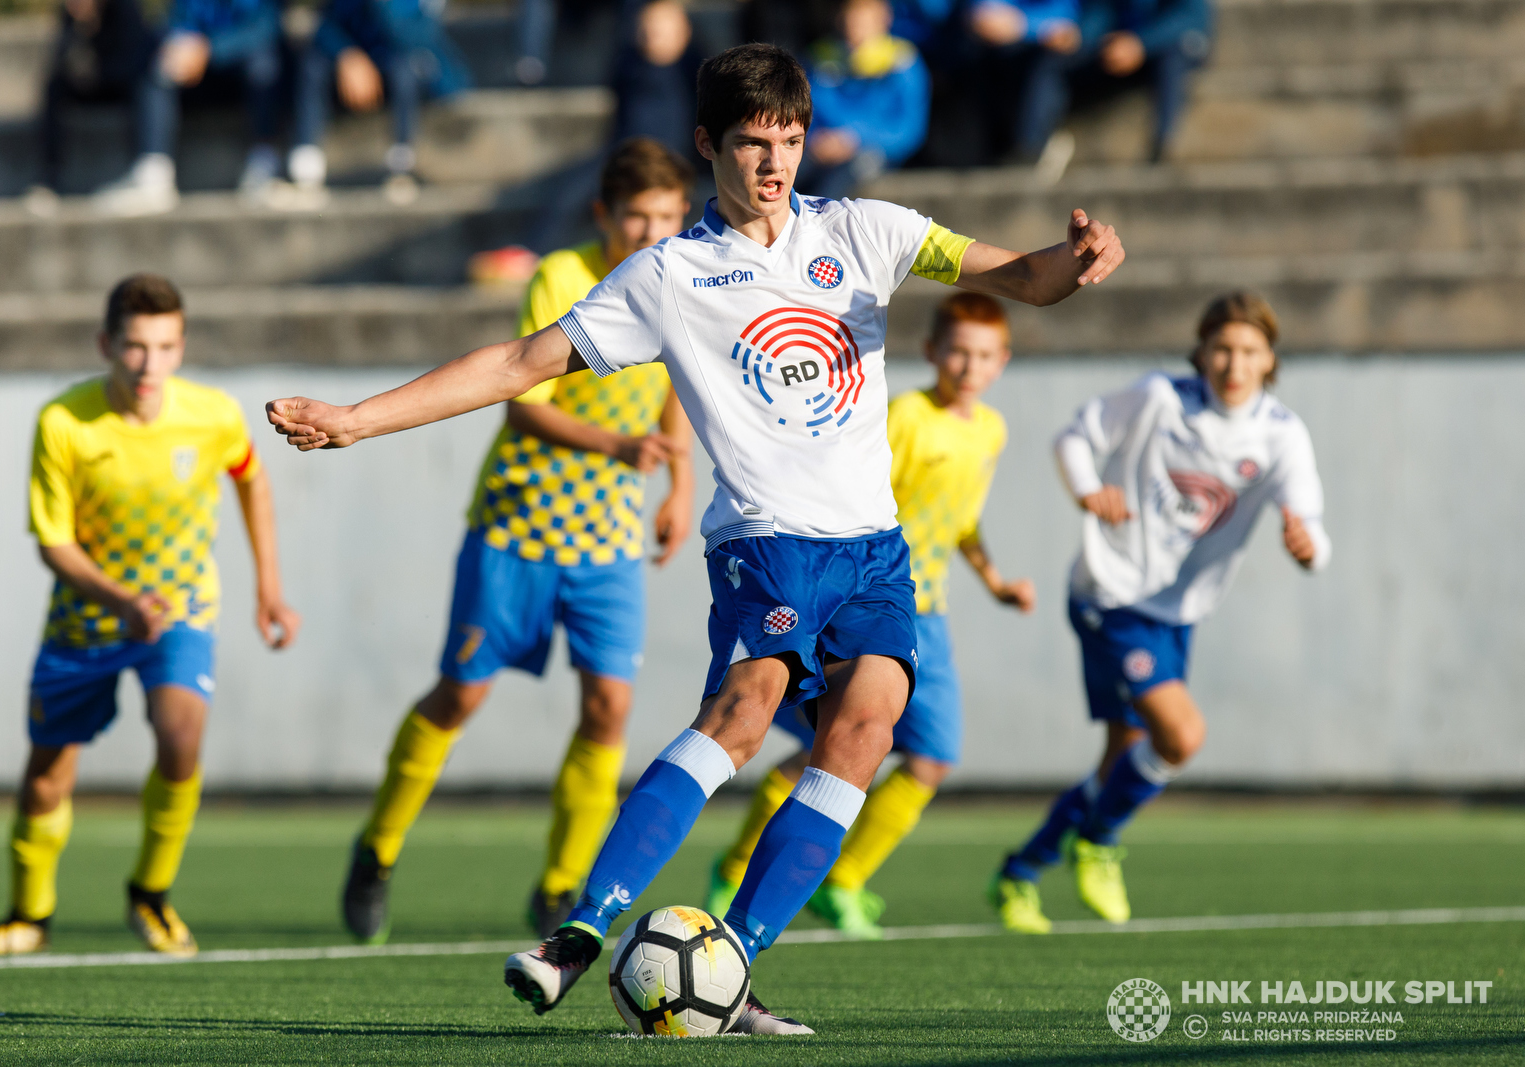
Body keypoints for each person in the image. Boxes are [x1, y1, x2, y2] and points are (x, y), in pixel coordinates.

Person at [266, 42, 1123, 1032]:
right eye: (754, 144)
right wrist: (356, 417)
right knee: (748, 711)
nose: (775, 165)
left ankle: (732, 964)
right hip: (766, 537)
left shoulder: (871, 229)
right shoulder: (670, 275)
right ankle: (579, 929)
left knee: (868, 725)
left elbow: (1023, 278)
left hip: (875, 546)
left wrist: (1080, 260)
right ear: (706, 143)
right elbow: (515, 361)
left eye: (791, 142)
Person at [337, 137, 697, 946]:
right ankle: (379, 847)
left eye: (668, 217)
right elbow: (521, 400)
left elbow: (679, 381)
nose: (652, 231)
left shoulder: (682, 279)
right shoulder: (562, 278)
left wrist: (677, 487)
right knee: (461, 693)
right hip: (518, 527)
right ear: (604, 214)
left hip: (606, 541)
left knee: (609, 705)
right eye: (637, 216)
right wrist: (618, 450)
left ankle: (563, 885)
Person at [0, 274, 301, 957]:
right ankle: (29, 913)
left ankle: (151, 894)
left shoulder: (212, 415)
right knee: (47, 774)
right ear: (106, 345)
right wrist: (120, 601)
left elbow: (251, 476)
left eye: (166, 346)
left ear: (182, 347)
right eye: (135, 347)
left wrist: (269, 585)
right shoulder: (64, 422)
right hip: (86, 622)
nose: (150, 365)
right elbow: (54, 543)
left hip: (180, 611)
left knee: (181, 735)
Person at [993, 291, 1328, 935]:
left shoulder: (1281, 434)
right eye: (1222, 348)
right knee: (1180, 736)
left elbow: (1310, 520)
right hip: (1110, 595)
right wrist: (1090, 490)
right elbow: (1074, 437)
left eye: (1250, 351)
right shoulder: (1158, 398)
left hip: (1179, 612)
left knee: (1124, 757)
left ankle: (1020, 872)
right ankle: (1099, 842)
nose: (1234, 363)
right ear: (1200, 352)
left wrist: (1307, 546)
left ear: (1270, 360)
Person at [705, 290, 1035, 939]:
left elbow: (961, 519)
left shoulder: (990, 429)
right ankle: (739, 867)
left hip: (925, 611)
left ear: (1002, 361)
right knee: (825, 747)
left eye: (984, 355)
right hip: (861, 601)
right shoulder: (905, 417)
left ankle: (844, 879)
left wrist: (995, 580)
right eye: (958, 352)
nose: (969, 367)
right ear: (932, 351)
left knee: (931, 756)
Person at [93, 0, 286, 216]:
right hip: (195, 75)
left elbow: (266, 29)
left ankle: (263, 165)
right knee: (160, 62)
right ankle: (153, 174)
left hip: (242, 71)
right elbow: (178, 19)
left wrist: (210, 50)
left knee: (264, 68)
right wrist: (178, 44)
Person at [287, 0, 474, 206]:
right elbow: (326, 27)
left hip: (404, 71)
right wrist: (348, 56)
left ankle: (401, 165)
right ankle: (306, 166)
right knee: (313, 66)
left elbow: (411, 38)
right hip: (353, 73)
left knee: (404, 71)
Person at [1013, 0, 1213, 164]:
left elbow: (1190, 19)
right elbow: (1101, 12)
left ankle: (1164, 145)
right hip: (1117, 46)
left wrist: (1141, 44)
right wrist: (1081, 37)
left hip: (1169, 47)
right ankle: (1030, 148)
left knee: (1173, 59)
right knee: (1054, 61)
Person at [28, 0, 159, 212]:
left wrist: (99, 72)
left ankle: (143, 169)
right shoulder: (70, 15)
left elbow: (135, 61)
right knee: (55, 87)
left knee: (147, 86)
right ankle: (49, 180)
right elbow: (60, 59)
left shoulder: (124, 9)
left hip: (123, 86)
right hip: (93, 87)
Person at [797, 0, 930, 200]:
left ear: (884, 20)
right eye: (851, 19)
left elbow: (909, 130)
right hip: (820, 146)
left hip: (872, 152)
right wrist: (815, 139)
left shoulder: (903, 62)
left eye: (864, 21)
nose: (856, 28)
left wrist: (854, 139)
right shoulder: (821, 59)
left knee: (833, 186)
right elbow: (805, 111)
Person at [968, 0, 1082, 164]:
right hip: (996, 50)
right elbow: (981, 16)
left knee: (1047, 66)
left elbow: (1068, 30)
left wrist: (1024, 26)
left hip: (1052, 55)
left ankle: (1030, 152)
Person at [610, 0, 703, 164]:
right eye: (645, 29)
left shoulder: (697, 73)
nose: (651, 37)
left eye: (660, 31)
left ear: (683, 32)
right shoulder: (627, 68)